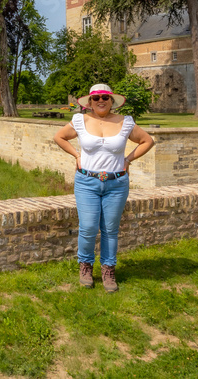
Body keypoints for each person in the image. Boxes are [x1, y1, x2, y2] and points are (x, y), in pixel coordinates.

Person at [53, 83, 154, 291]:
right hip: (87, 182)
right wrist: (77, 155)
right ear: (89, 102)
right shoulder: (80, 120)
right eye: (96, 98)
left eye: (105, 98)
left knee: (110, 229)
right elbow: (59, 137)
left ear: (112, 101)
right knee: (88, 227)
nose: (101, 101)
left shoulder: (125, 122)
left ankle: (108, 270)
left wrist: (127, 160)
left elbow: (147, 141)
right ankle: (86, 267)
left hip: (116, 183)